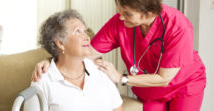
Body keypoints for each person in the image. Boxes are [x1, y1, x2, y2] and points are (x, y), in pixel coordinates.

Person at [31, 0, 206, 111]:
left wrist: (120, 78)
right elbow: (87, 52)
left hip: (184, 85)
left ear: (149, 13)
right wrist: (52, 59)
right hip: (150, 90)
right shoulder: (119, 23)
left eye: (127, 13)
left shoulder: (178, 26)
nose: (121, 17)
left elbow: (164, 78)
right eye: (120, 10)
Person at [24, 10, 123, 111]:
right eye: (78, 31)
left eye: (85, 31)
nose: (87, 38)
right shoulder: (43, 81)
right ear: (60, 43)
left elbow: (118, 109)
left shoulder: (99, 70)